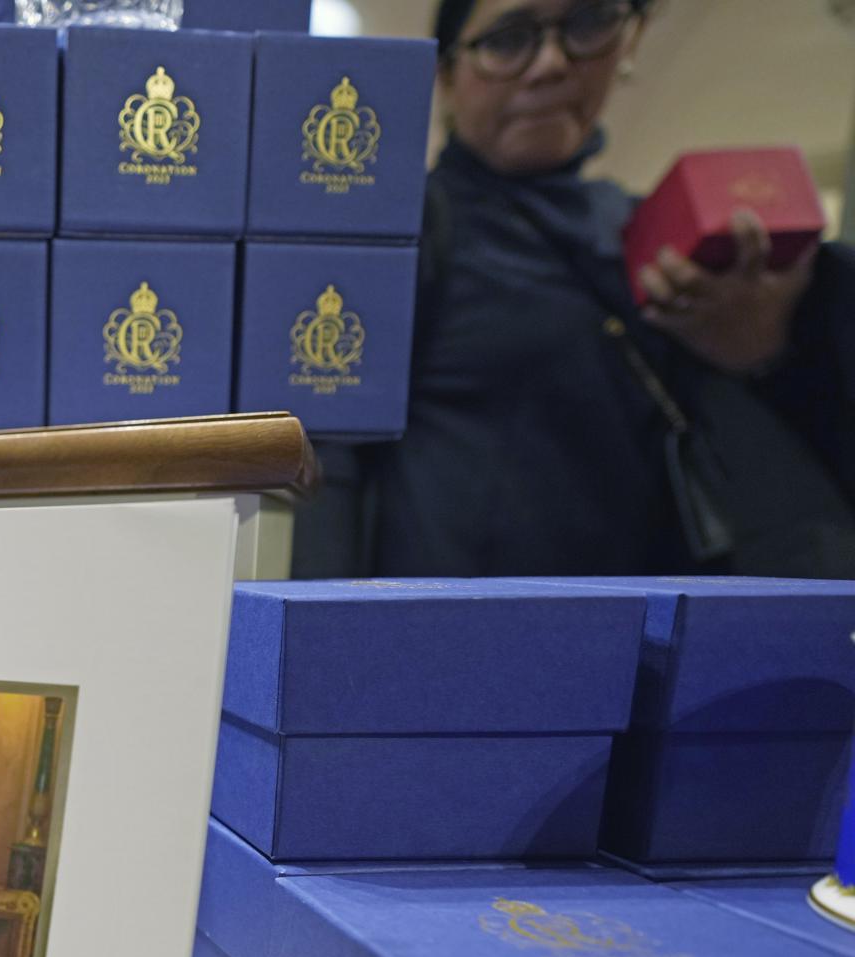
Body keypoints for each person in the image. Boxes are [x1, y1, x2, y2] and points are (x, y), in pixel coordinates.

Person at [296, 0, 855, 577]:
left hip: (645, 628)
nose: (552, 64)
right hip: (462, 632)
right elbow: (329, 455)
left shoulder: (647, 231)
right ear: (446, 78)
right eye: (509, 40)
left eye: (587, 25)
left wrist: (762, 351)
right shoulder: (403, 234)